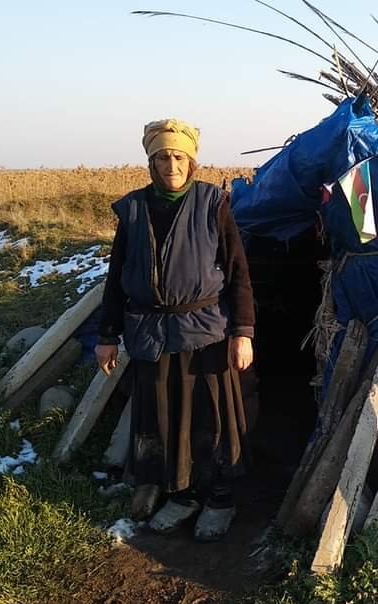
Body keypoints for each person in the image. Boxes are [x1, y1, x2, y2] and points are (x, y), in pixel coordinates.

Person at [95, 118, 255, 542]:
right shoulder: (132, 210)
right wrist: (107, 334)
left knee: (212, 417)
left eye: (179, 157)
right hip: (149, 332)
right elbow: (117, 276)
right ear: (150, 161)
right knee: (164, 419)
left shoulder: (212, 203)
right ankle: (181, 494)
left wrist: (243, 331)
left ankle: (219, 498)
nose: (171, 165)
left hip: (205, 333)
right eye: (162, 157)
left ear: (192, 161)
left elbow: (238, 272)